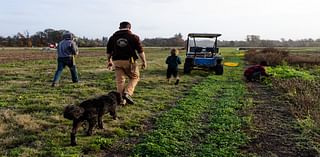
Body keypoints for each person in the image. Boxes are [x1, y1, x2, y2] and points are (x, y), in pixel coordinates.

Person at [106, 21, 147, 105]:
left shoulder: (112, 37)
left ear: (119, 28)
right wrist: (144, 61)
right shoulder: (134, 37)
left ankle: (121, 100)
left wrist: (109, 61)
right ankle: (127, 93)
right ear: (130, 28)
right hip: (130, 61)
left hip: (116, 61)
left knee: (120, 81)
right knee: (135, 77)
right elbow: (140, 51)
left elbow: (108, 52)